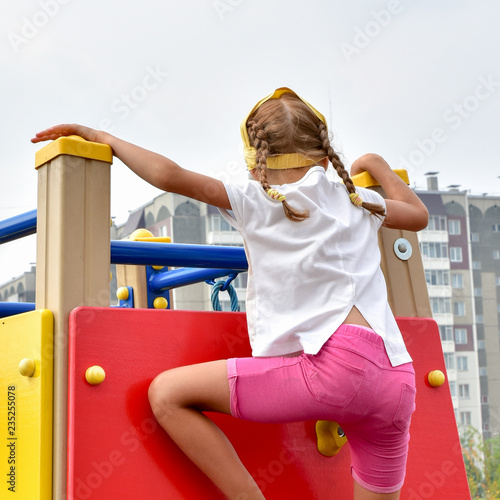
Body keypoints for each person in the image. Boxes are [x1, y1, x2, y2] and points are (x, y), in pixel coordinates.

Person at [32, 87, 428, 500]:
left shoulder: (253, 200)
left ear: (256, 166)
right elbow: (417, 216)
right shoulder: (358, 201)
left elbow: (169, 176)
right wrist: (376, 166)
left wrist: (105, 137)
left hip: (335, 373)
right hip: (395, 380)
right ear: (326, 160)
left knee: (167, 395)